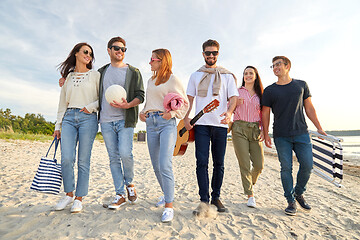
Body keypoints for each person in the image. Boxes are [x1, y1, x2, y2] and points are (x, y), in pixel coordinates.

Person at [262, 56, 326, 216]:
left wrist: (319, 128)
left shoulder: (301, 85)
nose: (275, 67)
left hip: (301, 133)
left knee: (307, 165)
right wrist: (265, 133)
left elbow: (309, 108)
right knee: (286, 168)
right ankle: (290, 201)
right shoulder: (270, 90)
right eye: (273, 66)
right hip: (281, 135)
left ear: (287, 66)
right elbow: (265, 113)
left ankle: (298, 192)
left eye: (278, 64)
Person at [184, 39, 238, 214]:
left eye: (214, 53)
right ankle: (204, 201)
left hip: (220, 125)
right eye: (208, 53)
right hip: (201, 125)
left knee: (219, 163)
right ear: (203, 55)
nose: (211, 56)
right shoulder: (195, 75)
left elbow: (234, 98)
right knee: (201, 163)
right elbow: (189, 99)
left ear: (218, 54)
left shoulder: (227, 76)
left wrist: (229, 113)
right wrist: (186, 117)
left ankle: (216, 197)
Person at [139, 48, 188, 223]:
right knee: (156, 165)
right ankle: (167, 194)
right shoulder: (151, 80)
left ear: (162, 61)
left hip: (166, 123)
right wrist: (142, 113)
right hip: (150, 124)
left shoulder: (173, 79)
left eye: (153, 59)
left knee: (165, 164)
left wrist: (172, 114)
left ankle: (169, 205)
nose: (150, 61)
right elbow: (149, 103)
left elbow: (185, 104)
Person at [98, 37, 145, 209]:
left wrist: (127, 105)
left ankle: (129, 184)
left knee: (125, 154)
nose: (120, 51)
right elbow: (89, 86)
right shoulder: (101, 72)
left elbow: (141, 95)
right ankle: (119, 194)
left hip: (126, 120)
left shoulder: (133, 71)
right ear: (109, 50)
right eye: (116, 48)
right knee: (113, 158)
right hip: (106, 121)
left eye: (123, 49)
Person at [53, 42, 100, 213]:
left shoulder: (96, 75)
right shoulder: (69, 78)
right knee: (66, 158)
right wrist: (58, 125)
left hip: (88, 118)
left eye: (91, 54)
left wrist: (91, 107)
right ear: (76, 54)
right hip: (68, 119)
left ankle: (79, 198)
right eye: (85, 52)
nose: (89, 55)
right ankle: (68, 194)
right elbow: (62, 103)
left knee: (83, 160)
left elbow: (102, 98)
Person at [231, 66, 265, 208]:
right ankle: (250, 195)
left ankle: (248, 183)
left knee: (259, 164)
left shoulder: (261, 94)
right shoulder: (237, 92)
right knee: (244, 164)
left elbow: (264, 114)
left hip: (255, 130)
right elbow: (228, 109)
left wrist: (264, 129)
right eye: (245, 73)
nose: (248, 75)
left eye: (251, 73)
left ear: (256, 76)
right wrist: (234, 104)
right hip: (239, 128)